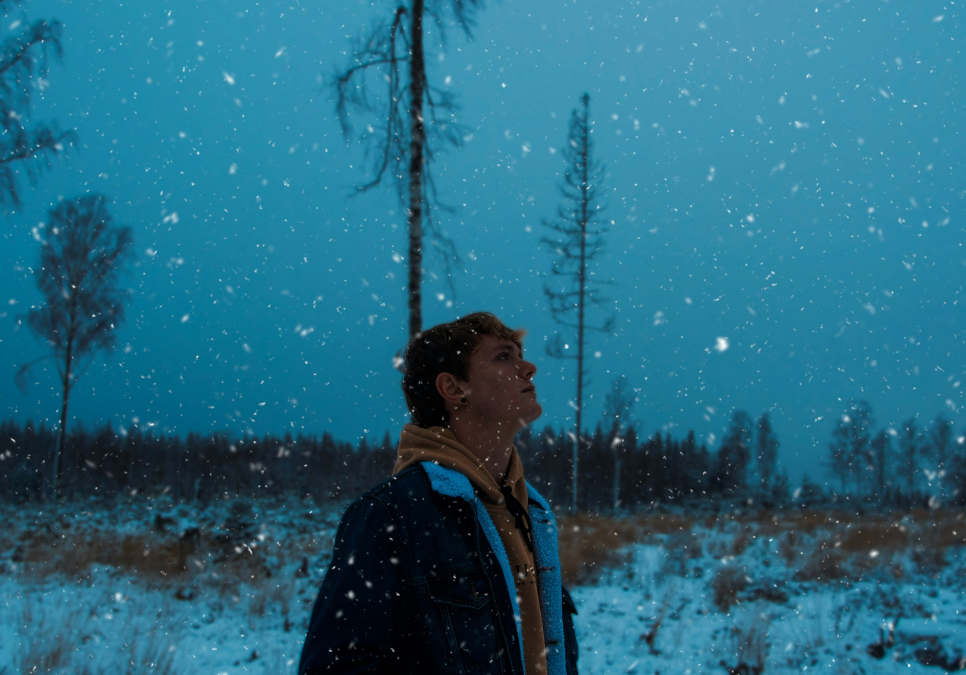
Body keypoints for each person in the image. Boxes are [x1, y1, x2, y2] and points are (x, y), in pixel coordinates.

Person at [299, 312, 579, 675]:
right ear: (453, 389)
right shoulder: (391, 514)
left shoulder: (532, 512)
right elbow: (336, 667)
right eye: (503, 357)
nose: (528, 368)